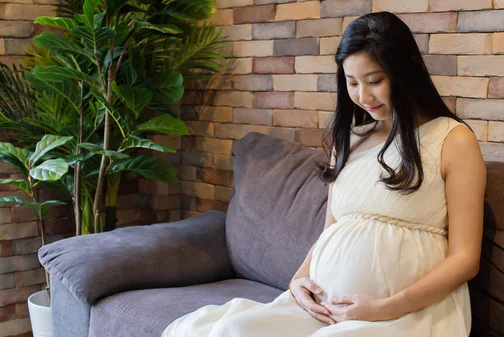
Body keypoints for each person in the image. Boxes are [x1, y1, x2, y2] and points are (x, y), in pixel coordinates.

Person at [162, 11, 486, 337]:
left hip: (406, 313)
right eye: (352, 82)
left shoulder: (453, 139)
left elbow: (465, 258)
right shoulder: (352, 139)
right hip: (324, 307)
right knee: (232, 330)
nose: (363, 96)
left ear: (404, 71)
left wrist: (386, 307)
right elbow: (330, 230)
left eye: (375, 81)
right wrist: (299, 280)